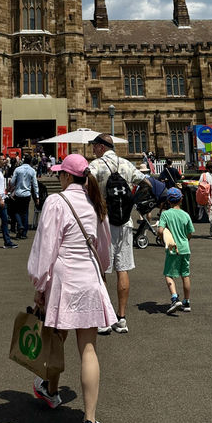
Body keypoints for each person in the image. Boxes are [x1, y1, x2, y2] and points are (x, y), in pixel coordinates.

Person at [27, 152, 114, 423]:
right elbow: (104, 249)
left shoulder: (56, 202)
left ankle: (52, 391)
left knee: (56, 340)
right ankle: (90, 420)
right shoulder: (95, 203)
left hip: (63, 281)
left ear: (66, 176)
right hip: (88, 278)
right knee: (88, 348)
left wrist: (39, 286)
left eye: (59, 174)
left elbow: (45, 248)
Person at [88, 132, 144, 335]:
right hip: (125, 223)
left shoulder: (95, 166)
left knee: (101, 270)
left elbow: (83, 187)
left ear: (102, 147)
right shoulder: (128, 165)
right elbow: (145, 181)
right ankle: (121, 319)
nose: (93, 150)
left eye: (94, 146)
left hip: (104, 223)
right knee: (123, 269)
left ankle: (104, 319)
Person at [157, 187, 194, 313]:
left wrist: (162, 238)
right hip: (185, 247)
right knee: (185, 274)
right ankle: (187, 301)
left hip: (173, 248)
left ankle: (174, 298)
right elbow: (190, 233)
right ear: (181, 199)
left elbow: (160, 230)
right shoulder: (185, 215)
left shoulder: (165, 214)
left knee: (169, 274)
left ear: (168, 200)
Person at [9, 154, 40, 239]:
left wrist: (12, 186)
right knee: (25, 212)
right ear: (30, 161)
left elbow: (12, 182)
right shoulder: (32, 171)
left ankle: (19, 225)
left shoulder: (17, 169)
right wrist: (37, 196)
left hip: (18, 193)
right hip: (27, 194)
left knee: (17, 211)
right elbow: (35, 184)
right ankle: (24, 233)